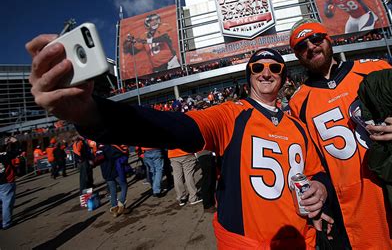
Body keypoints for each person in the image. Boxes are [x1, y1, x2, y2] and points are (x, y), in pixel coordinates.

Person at [27, 34, 332, 249]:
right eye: (258, 67)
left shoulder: (297, 125)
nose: (267, 73)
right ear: (248, 75)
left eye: (275, 68)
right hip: (247, 243)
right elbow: (176, 128)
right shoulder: (231, 114)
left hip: (302, 240)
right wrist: (94, 113)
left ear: (284, 76)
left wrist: (319, 188)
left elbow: (315, 172)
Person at [288, 18, 392, 249]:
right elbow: (313, 163)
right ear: (297, 56)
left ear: (328, 39)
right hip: (360, 214)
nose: (311, 46)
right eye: (301, 46)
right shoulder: (299, 102)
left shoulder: (372, 68)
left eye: (315, 38)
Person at [0, 142, 16, 230]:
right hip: (6, 182)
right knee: (7, 203)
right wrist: (15, 142)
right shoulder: (5, 155)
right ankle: (6, 222)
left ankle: (2, 221)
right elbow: (17, 150)